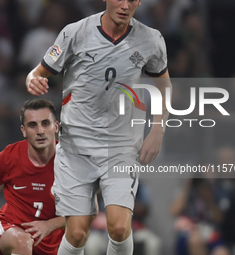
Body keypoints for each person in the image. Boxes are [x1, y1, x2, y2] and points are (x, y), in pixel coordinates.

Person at [26, 1, 172, 254]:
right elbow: (37, 73)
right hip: (76, 145)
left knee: (118, 226)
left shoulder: (151, 39)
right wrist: (33, 80)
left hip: (121, 145)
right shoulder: (75, 33)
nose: (125, 5)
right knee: (77, 232)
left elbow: (165, 86)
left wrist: (158, 130)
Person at [0, 99, 65, 255]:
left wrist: (50, 225)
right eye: (32, 125)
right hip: (9, 228)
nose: (40, 131)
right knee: (22, 242)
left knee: (80, 232)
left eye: (45, 123)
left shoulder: (69, 162)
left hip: (50, 241)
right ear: (23, 131)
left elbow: (88, 212)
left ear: (55, 127)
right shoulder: (10, 156)